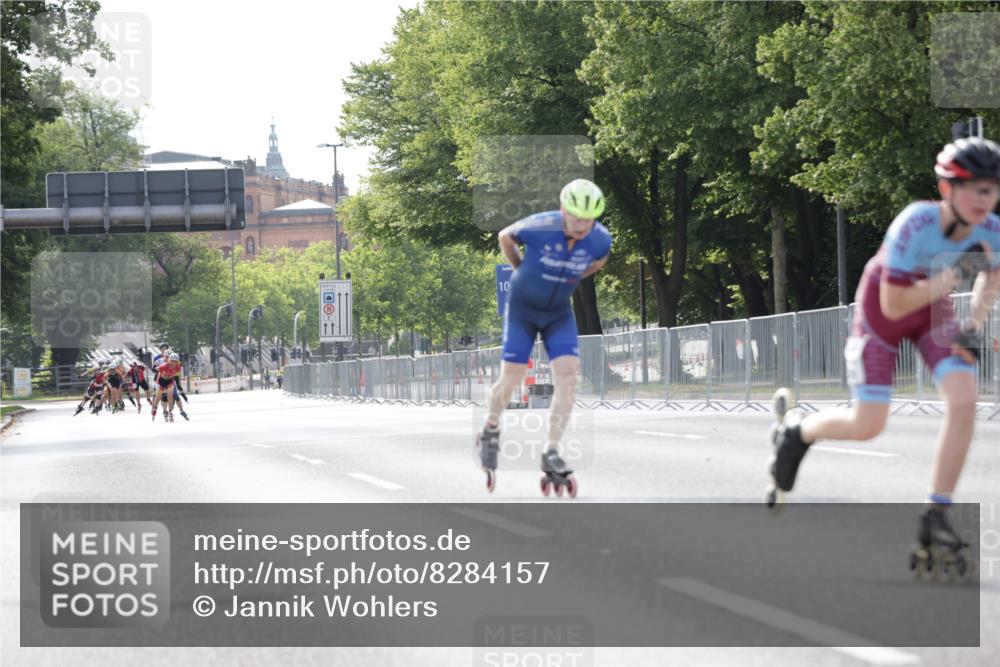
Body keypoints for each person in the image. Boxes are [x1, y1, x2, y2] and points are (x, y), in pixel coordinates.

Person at [769, 137, 1000, 559]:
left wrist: (974, 325)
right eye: (974, 188)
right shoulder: (915, 223)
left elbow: (993, 273)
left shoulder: (991, 229)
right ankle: (797, 432)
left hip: (932, 310)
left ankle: (937, 510)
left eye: (992, 188)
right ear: (947, 189)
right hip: (883, 309)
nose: (985, 198)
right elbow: (895, 306)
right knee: (869, 424)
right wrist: (955, 274)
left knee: (965, 399)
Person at [476, 178, 612, 495]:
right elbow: (505, 236)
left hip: (557, 313)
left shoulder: (599, 239)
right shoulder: (542, 225)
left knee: (568, 377)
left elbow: (600, 260)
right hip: (523, 309)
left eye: (588, 219)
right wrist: (520, 267)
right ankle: (490, 429)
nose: (581, 225)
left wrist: (574, 276)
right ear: (564, 209)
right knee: (512, 378)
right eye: (575, 216)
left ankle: (551, 449)